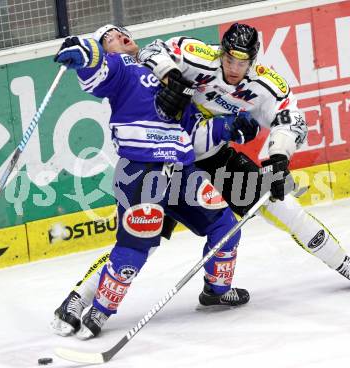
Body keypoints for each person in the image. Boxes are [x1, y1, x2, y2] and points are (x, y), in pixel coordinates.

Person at [52, 23, 350, 339]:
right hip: (174, 161)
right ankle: (80, 298)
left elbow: (289, 117)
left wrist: (278, 156)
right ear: (220, 51)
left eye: (243, 61)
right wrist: (172, 77)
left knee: (282, 208)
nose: (234, 68)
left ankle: (343, 264)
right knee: (139, 243)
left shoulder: (265, 84)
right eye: (229, 58)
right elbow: (149, 51)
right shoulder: (194, 55)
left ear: (254, 60)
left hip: (214, 161)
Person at [51, 25, 258, 340]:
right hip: (142, 170)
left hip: (182, 172)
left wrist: (227, 126)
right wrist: (84, 51)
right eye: (110, 38)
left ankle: (217, 289)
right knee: (138, 243)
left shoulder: (170, 72)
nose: (121, 37)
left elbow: (193, 131)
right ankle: (94, 308)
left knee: (226, 225)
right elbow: (96, 71)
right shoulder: (121, 69)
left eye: (122, 32)